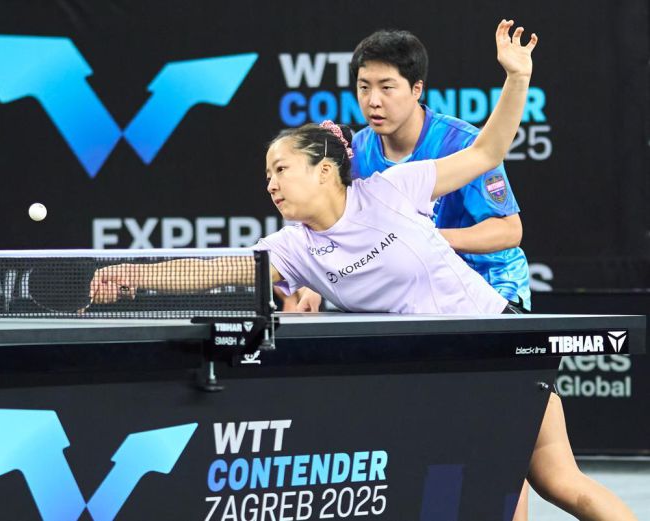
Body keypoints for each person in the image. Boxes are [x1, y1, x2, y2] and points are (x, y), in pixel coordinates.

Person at [90, 21, 636, 520]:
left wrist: (517, 78)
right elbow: (216, 270)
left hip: (490, 340)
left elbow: (488, 151)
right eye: (267, 174)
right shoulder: (293, 247)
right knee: (485, 489)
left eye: (281, 169)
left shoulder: (395, 187)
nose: (271, 184)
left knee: (547, 484)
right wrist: (135, 275)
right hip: (431, 365)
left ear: (325, 171)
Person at [295, 26, 530, 314]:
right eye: (364, 87)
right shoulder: (356, 153)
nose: (373, 101)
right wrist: (313, 287)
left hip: (492, 291)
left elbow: (508, 231)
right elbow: (338, 228)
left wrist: (427, 240)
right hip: (415, 296)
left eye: (387, 87)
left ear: (416, 89)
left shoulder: (462, 144)